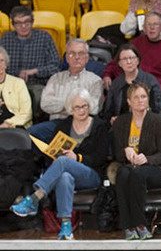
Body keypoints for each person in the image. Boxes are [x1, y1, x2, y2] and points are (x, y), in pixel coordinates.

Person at [10, 90, 107, 239]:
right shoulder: (64, 125)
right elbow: (52, 156)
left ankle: (35, 198)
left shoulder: (99, 126)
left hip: (91, 174)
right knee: (64, 177)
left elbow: (100, 157)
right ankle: (66, 226)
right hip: (66, 172)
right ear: (70, 109)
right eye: (77, 107)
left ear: (89, 106)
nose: (82, 110)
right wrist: (54, 160)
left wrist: (78, 158)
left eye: (84, 106)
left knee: (64, 161)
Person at [112, 82, 161, 240]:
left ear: (148, 99)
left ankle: (140, 224)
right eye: (136, 97)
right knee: (122, 174)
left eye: (143, 96)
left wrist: (147, 158)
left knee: (137, 174)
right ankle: (128, 225)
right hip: (130, 167)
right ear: (129, 101)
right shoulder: (121, 122)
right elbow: (117, 155)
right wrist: (125, 150)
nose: (140, 100)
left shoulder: (158, 121)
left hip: (156, 168)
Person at [34, 38, 102, 140]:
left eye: (81, 53)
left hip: (82, 125)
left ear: (87, 58)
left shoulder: (95, 81)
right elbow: (45, 104)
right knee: (31, 134)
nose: (77, 57)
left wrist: (62, 107)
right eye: (72, 53)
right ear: (66, 58)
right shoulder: (55, 78)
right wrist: (77, 106)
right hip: (57, 123)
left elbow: (94, 108)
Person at [0, 6, 60, 111]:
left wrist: (34, 71)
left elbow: (55, 66)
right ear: (13, 25)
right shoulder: (5, 39)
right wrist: (18, 73)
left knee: (38, 96)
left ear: (32, 22)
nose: (23, 26)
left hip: (37, 84)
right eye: (18, 23)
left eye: (27, 22)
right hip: (11, 84)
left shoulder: (45, 37)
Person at [103, 12, 161, 95]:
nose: (152, 28)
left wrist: (155, 88)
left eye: (155, 24)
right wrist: (107, 75)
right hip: (133, 84)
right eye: (148, 24)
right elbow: (116, 62)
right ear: (144, 28)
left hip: (156, 87)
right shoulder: (136, 42)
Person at [103, 43, 161, 125]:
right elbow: (109, 111)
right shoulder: (116, 84)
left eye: (131, 58)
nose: (128, 62)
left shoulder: (150, 81)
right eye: (124, 59)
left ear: (138, 60)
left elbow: (158, 112)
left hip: (146, 126)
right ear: (119, 63)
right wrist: (112, 120)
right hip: (121, 127)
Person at [0, 46, 33, 128]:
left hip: (15, 126)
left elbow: (27, 113)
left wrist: (7, 124)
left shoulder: (18, 83)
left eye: (1, 61)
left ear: (6, 64)